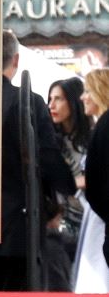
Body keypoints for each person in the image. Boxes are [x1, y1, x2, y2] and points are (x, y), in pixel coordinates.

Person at [0, 30, 75, 291]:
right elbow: (47, 155)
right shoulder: (28, 100)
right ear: (16, 59)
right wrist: (66, 187)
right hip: (19, 225)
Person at [47, 77, 90, 259]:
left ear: (73, 100)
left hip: (91, 218)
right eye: (50, 99)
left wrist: (77, 181)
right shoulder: (51, 139)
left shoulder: (93, 136)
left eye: (59, 99)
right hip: (61, 223)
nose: (51, 105)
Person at [75, 68, 109, 292]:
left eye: (88, 91)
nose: (82, 97)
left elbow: (97, 182)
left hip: (101, 220)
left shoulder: (104, 126)